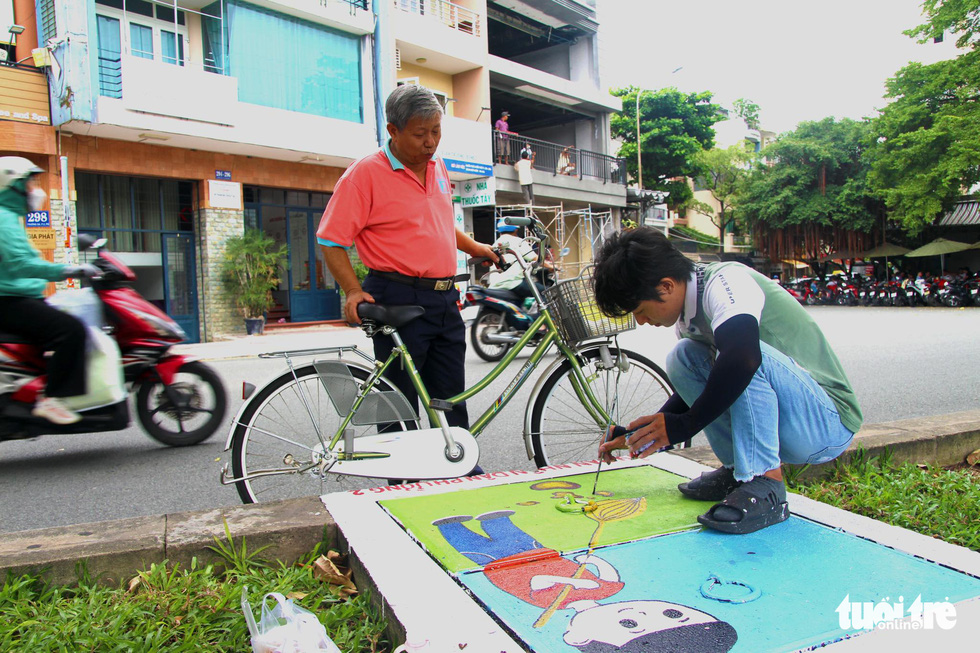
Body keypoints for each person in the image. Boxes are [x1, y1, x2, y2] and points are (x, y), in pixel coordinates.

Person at [592, 227, 862, 535]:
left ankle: (765, 482)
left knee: (743, 354)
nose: (641, 321)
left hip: (825, 423)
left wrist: (683, 426)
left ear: (666, 286)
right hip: (792, 418)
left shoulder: (726, 283)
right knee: (683, 357)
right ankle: (739, 471)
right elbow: (702, 391)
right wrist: (640, 434)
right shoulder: (687, 317)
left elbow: (743, 360)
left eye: (640, 310)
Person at [316, 85, 497, 432]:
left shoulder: (438, 167)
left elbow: (441, 223)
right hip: (397, 296)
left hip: (444, 299)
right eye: (420, 134)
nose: (430, 142)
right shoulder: (364, 174)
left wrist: (476, 248)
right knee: (399, 405)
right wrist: (352, 291)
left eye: (436, 132)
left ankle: (456, 468)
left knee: (450, 399)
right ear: (393, 131)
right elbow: (330, 239)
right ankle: (404, 484)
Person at [0, 157, 100, 424]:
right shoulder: (3, 219)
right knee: (71, 330)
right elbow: (21, 263)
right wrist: (69, 270)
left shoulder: (9, 218)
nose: (35, 190)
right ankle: (53, 398)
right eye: (29, 182)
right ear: (12, 184)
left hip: (20, 297)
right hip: (10, 301)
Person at [487, 219, 545, 303]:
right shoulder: (518, 241)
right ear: (516, 230)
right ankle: (546, 315)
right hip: (513, 283)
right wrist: (551, 266)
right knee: (543, 291)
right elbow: (535, 258)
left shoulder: (495, 244)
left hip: (495, 284)